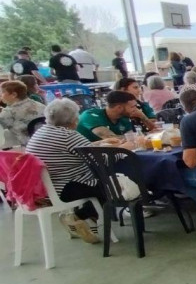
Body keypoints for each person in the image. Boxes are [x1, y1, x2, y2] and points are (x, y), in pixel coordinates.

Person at [25, 98, 101, 243]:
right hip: (66, 188)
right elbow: (99, 158)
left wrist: (99, 144)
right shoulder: (68, 135)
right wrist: (126, 147)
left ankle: (83, 219)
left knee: (102, 183)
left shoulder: (41, 132)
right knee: (110, 185)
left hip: (46, 188)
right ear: (73, 119)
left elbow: (83, 148)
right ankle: (79, 217)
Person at [76, 91, 142, 142]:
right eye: (133, 106)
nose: (136, 109)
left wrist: (143, 117)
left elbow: (133, 138)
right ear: (119, 108)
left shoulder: (124, 118)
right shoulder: (90, 115)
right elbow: (111, 139)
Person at [0, 80, 45, 147]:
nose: (1, 96)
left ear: (14, 95)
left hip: (27, 145)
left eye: (2, 93)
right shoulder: (39, 105)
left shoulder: (9, 111)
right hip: (45, 142)